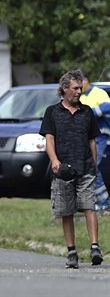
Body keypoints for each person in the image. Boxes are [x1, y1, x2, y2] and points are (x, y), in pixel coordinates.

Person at [39, 69, 102, 268]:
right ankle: (72, 252)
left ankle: (94, 248)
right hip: (63, 170)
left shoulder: (87, 112)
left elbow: (92, 141)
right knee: (67, 211)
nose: (79, 92)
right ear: (65, 89)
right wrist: (55, 161)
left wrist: (94, 164)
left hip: (85, 167)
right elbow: (49, 139)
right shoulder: (52, 112)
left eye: (80, 88)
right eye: (75, 88)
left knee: (89, 207)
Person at [80, 71, 110, 212]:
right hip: (87, 138)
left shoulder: (99, 93)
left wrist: (90, 113)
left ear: (86, 80)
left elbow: (108, 106)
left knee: (93, 168)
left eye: (80, 83)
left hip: (100, 136)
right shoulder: (80, 96)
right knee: (90, 169)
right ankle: (99, 202)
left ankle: (104, 203)